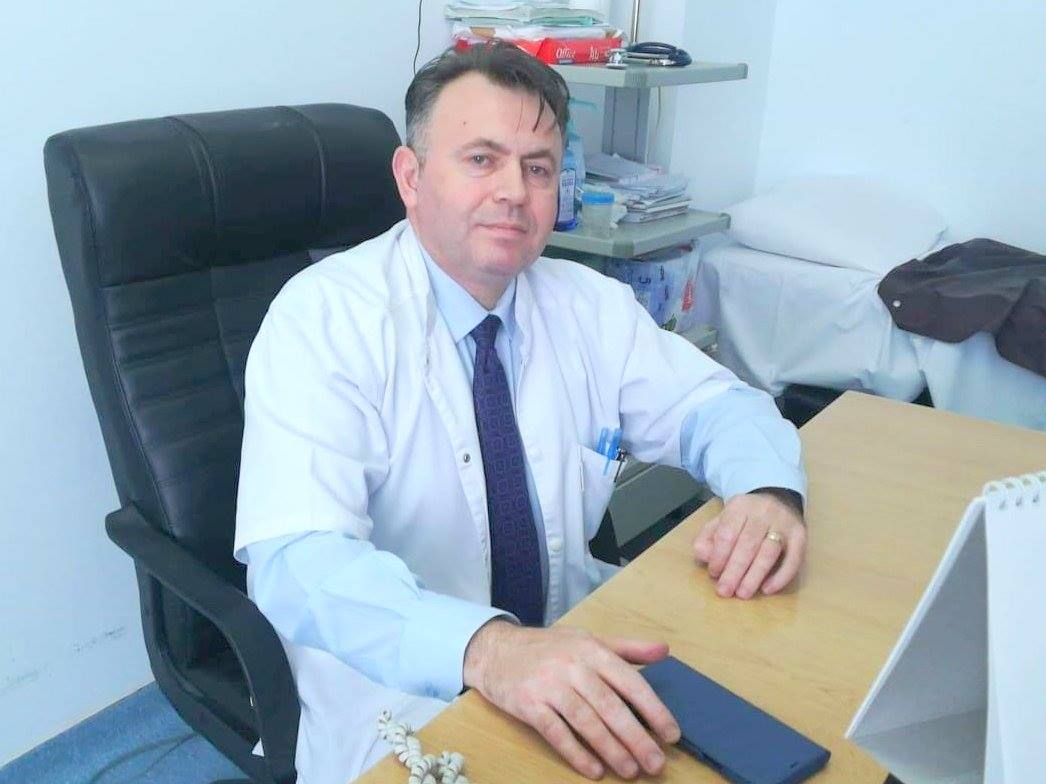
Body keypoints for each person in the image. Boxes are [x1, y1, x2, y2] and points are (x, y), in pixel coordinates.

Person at [234, 42, 808, 784]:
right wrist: (488, 648)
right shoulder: (323, 321)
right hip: (401, 692)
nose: (514, 191)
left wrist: (766, 490)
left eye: (538, 168)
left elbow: (714, 405)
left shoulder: (587, 303)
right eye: (481, 159)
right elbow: (297, 562)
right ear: (410, 177)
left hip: (575, 644)